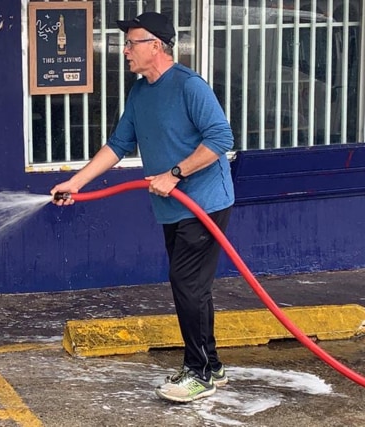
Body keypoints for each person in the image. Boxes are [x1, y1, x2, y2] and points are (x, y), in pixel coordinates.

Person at [50, 11, 235, 403]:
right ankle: (211, 365)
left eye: (132, 43)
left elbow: (221, 137)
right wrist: (76, 182)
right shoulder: (140, 92)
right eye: (126, 43)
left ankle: (199, 372)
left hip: (203, 203)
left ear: (157, 46)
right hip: (172, 207)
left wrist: (175, 173)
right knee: (193, 287)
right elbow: (118, 145)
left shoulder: (189, 86)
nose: (125, 51)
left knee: (187, 284)